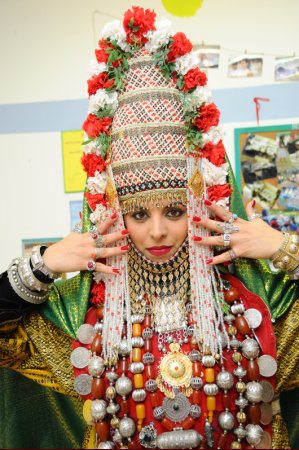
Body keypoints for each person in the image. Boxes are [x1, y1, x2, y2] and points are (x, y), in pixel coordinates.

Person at [1, 6, 298, 449]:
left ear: (201, 204)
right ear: (115, 214)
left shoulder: (254, 310)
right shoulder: (81, 318)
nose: (157, 232)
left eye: (174, 212)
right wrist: (42, 265)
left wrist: (284, 248)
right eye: (139, 215)